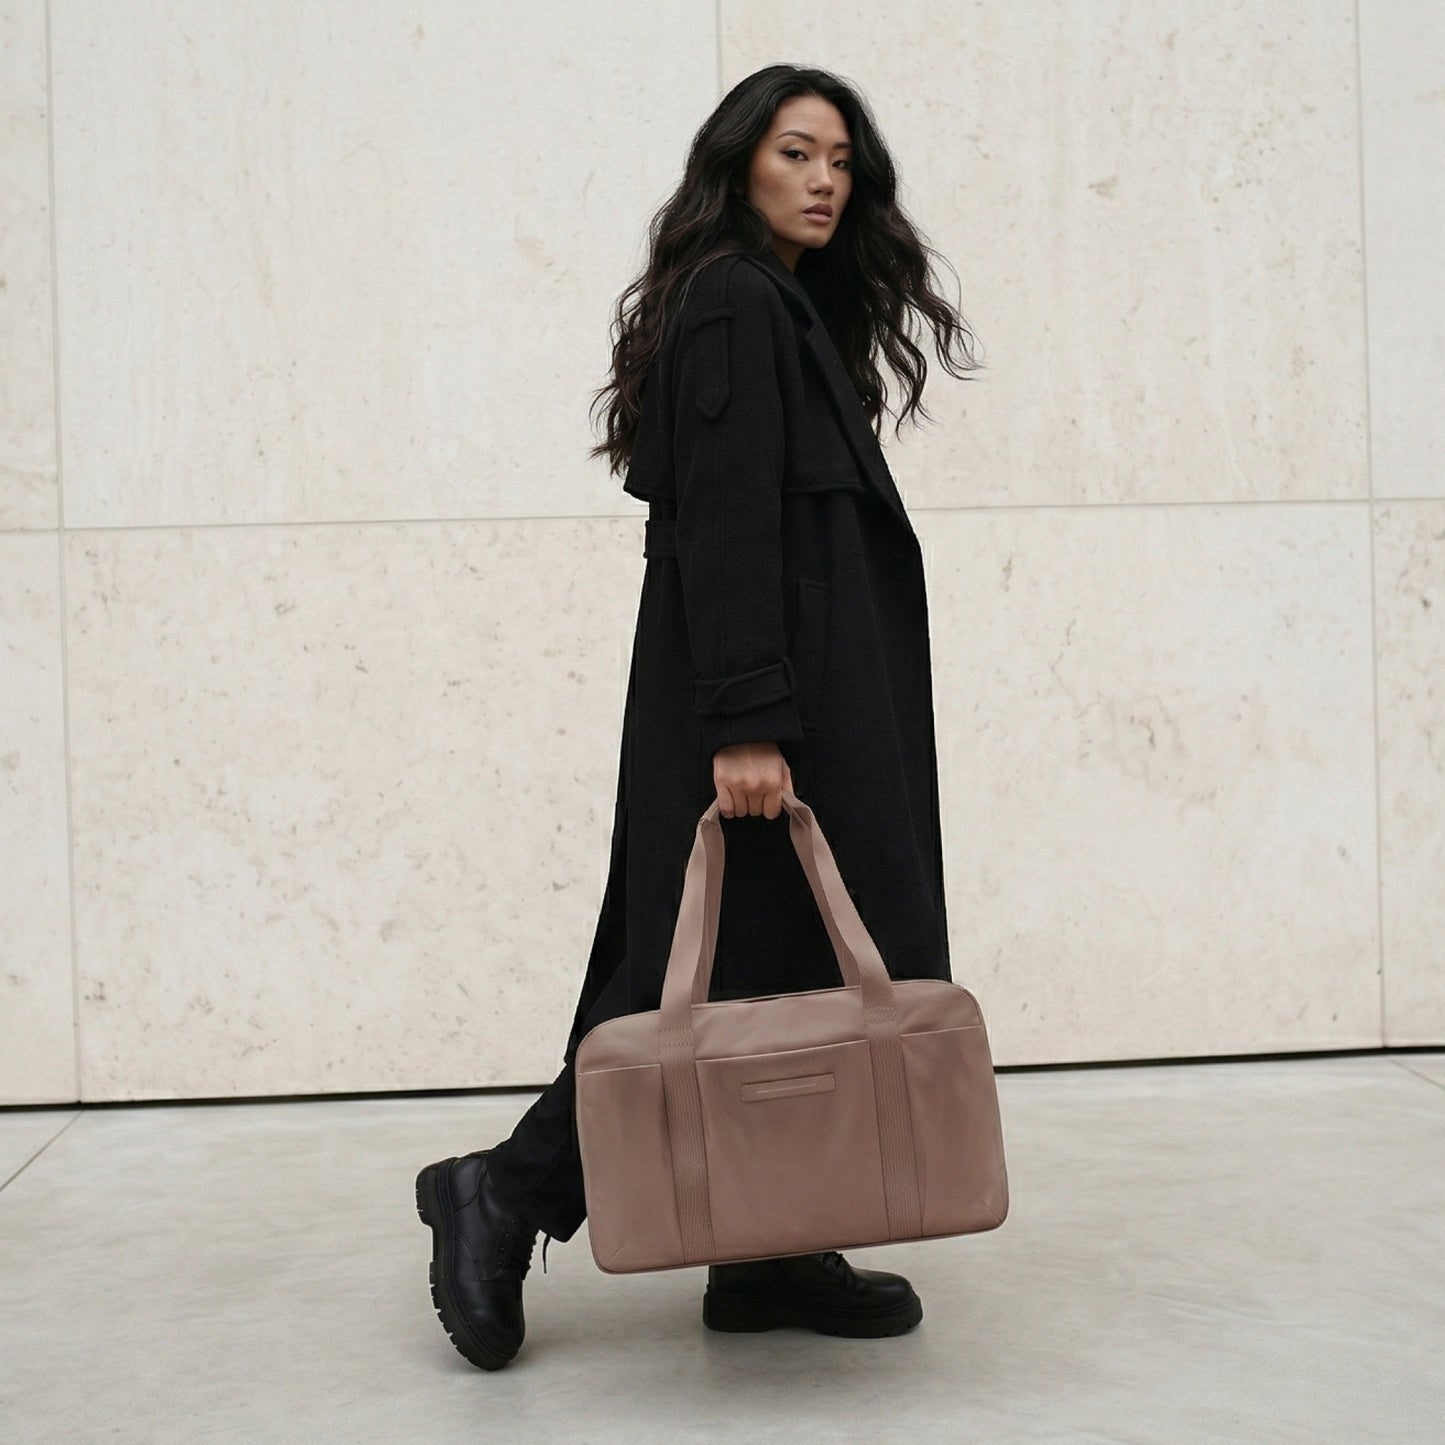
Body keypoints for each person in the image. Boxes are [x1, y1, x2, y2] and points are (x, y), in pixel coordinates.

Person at [415, 62, 980, 1371]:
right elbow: (724, 528)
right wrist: (745, 723)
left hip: (800, 715)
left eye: (842, 159)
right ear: (738, 168)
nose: (825, 179)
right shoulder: (734, 304)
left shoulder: (775, 311)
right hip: (763, 720)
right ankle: (501, 1190)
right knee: (697, 976)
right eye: (795, 152)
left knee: (777, 975)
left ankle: (769, 1244)